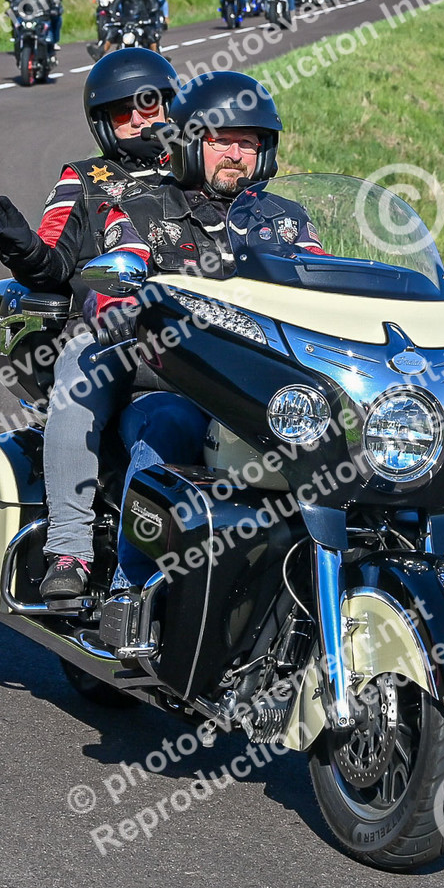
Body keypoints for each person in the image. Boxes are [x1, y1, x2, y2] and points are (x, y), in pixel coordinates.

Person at [106, 70, 323, 589]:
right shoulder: (140, 209)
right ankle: (129, 586)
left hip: (269, 392)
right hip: (172, 384)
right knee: (169, 425)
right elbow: (113, 294)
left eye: (248, 143)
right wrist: (125, 306)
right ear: (188, 144)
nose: (236, 155)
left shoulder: (289, 220)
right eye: (221, 140)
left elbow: (322, 292)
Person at [0, 48, 182, 597]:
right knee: (78, 377)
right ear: (103, 122)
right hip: (113, 336)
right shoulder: (86, 179)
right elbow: (52, 262)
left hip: (202, 335)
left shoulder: (195, 171)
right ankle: (69, 548)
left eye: (150, 104)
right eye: (124, 110)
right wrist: (25, 251)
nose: (140, 118)